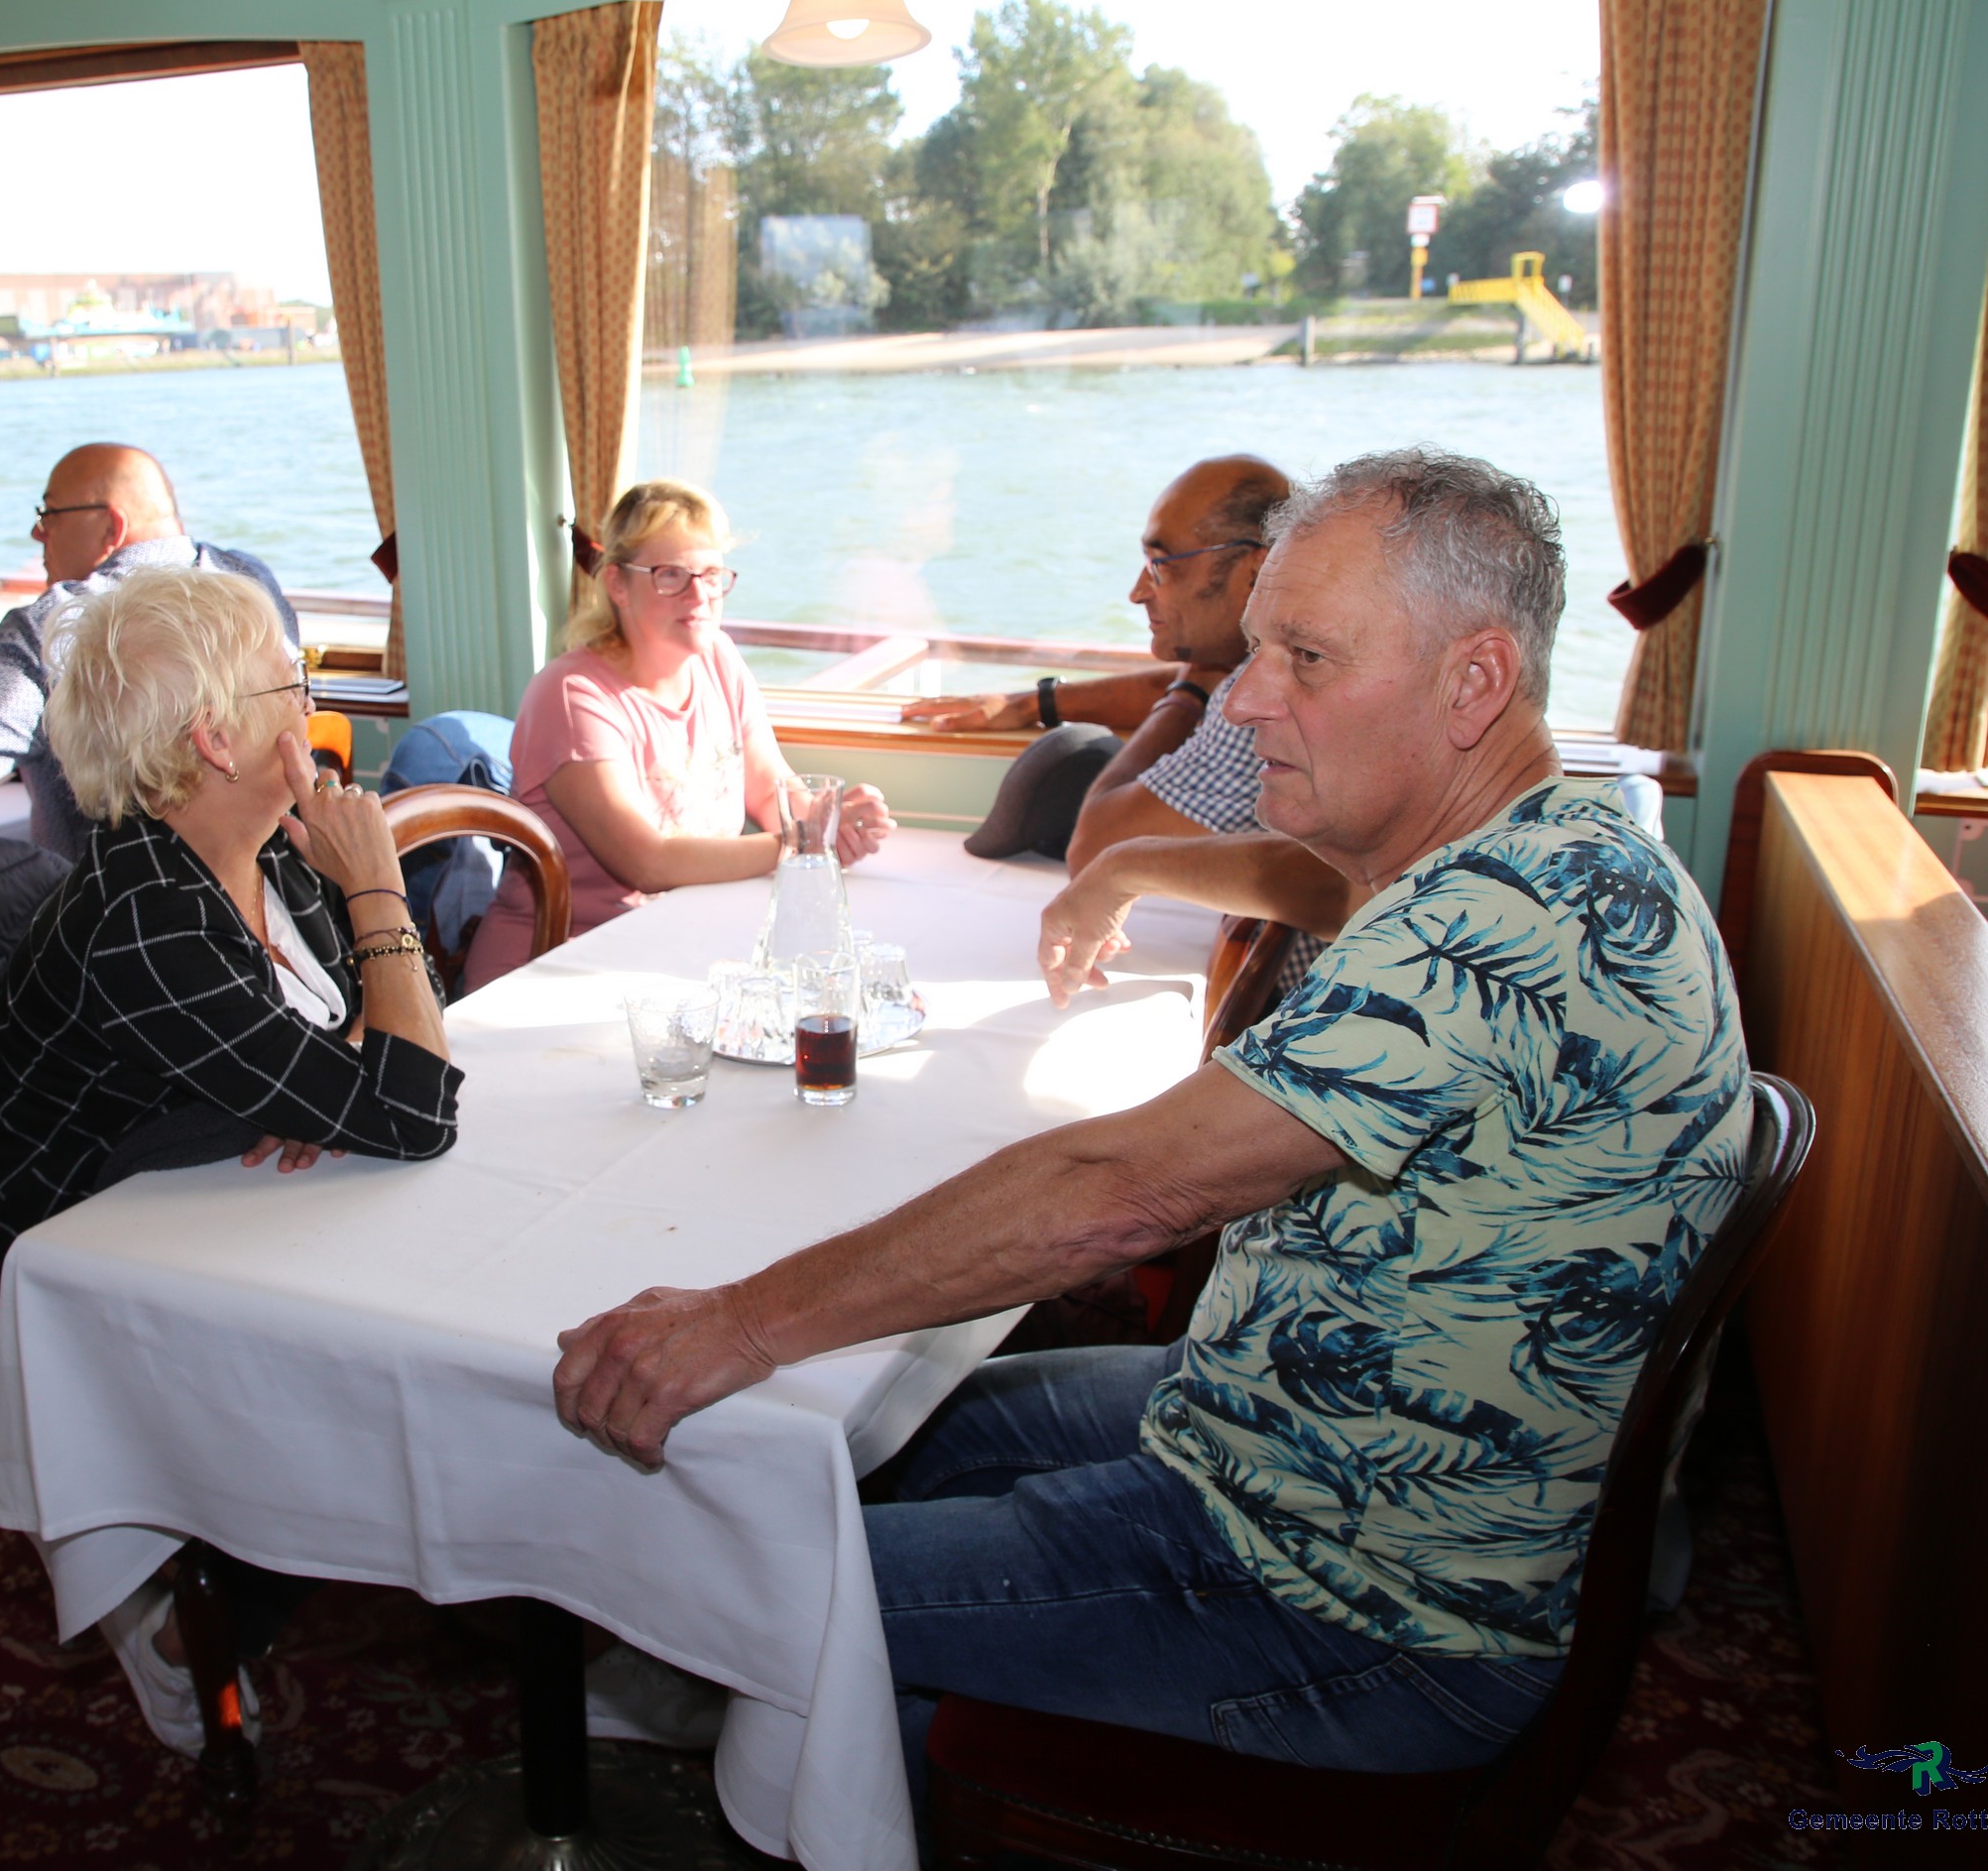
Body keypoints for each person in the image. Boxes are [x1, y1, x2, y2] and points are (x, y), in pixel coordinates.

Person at [551, 448, 1753, 1799]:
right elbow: (1314, 883)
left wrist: (739, 1319)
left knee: (741, 1556)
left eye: (1307, 659)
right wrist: (1126, 864)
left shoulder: (1510, 921)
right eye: (1258, 649)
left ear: (1475, 681)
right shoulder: (1554, 848)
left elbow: (1122, 1189)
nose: (1250, 699)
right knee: (858, 1425)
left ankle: (755, 1717)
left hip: (1355, 1602)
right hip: (1285, 1422)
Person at [0, 562, 462, 1746]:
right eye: (292, 680)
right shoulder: (145, 913)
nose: (313, 703)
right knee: (367, 1395)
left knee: (420, 1343)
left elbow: (400, 1051)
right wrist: (378, 890)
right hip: (52, 1300)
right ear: (215, 737)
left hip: (200, 1221)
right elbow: (415, 1106)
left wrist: (322, 1079)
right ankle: (180, 1634)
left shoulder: (267, 852)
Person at [462, 479, 895, 992]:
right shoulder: (572, 695)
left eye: (711, 575)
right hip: (558, 969)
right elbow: (646, 861)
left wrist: (833, 823)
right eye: (671, 575)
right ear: (618, 584)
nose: (699, 595)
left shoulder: (719, 659)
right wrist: (801, 843)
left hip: (678, 946)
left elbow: (770, 790)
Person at [0, 442, 295, 856]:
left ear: (111, 526)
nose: (37, 533)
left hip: (111, 904)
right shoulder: (249, 580)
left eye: (49, 513)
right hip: (275, 876)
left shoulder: (63, 625)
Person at [904, 457, 1293, 872]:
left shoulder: (1258, 700)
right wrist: (1035, 704)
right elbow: (1204, 680)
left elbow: (1095, 848)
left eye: (1160, 566)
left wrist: (1184, 696)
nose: (1137, 592)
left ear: (1256, 569)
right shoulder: (1294, 663)